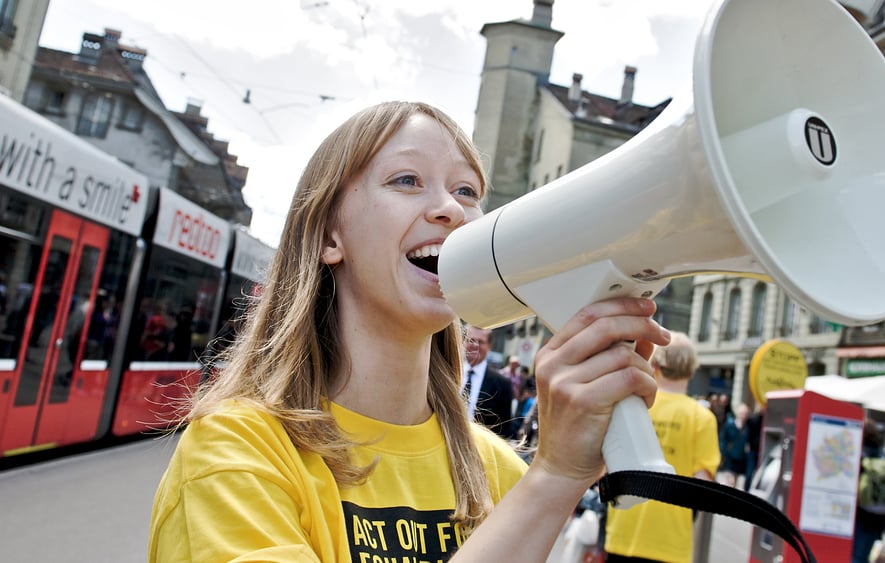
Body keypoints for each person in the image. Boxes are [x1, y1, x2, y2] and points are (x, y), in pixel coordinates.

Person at [147, 100, 672, 562]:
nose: (451, 209)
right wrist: (553, 478)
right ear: (331, 234)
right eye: (406, 180)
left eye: (467, 191)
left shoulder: (497, 470)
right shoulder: (235, 452)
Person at [603, 332, 720, 562]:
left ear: (655, 364)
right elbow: (701, 485)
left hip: (623, 531)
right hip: (670, 541)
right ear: (692, 370)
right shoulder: (702, 418)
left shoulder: (634, 404)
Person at [852, 419, 885, 563]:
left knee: (856, 554)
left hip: (861, 511)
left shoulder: (859, 454)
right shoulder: (883, 455)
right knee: (866, 552)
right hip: (880, 513)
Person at [462, 326, 516, 439]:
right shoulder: (448, 372)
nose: (475, 345)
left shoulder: (502, 384)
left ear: (489, 346)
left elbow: (504, 430)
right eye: (471, 340)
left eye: (481, 342)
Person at [718, 403, 750, 488]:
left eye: (745, 414)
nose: (743, 415)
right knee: (728, 480)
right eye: (742, 413)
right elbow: (723, 440)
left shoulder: (747, 428)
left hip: (740, 457)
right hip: (729, 457)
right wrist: (723, 453)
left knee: (734, 482)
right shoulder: (729, 425)